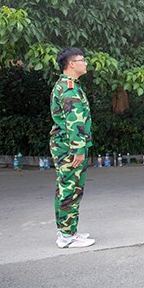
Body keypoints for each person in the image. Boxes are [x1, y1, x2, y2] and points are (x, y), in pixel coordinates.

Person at [50, 47, 95, 249]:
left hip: (64, 145)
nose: (85, 63)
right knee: (70, 189)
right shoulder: (68, 89)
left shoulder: (67, 85)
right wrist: (78, 149)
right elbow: (73, 122)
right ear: (71, 64)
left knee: (66, 187)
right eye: (82, 60)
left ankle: (67, 231)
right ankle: (67, 235)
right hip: (69, 147)